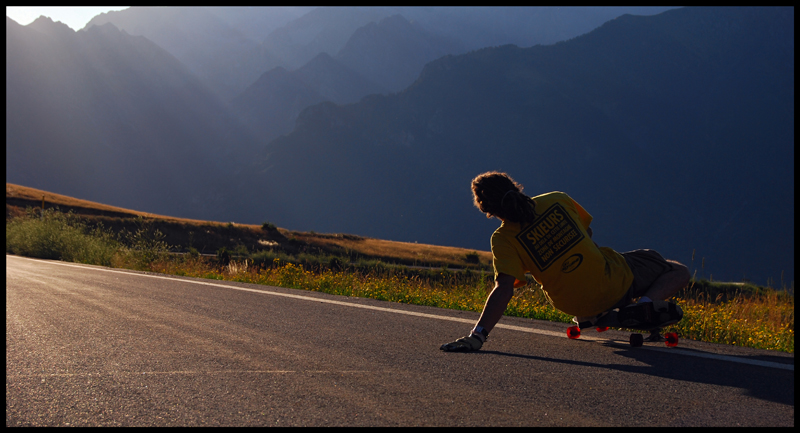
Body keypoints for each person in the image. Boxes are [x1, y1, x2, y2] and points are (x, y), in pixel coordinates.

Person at [440, 171, 690, 352]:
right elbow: (588, 235)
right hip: (612, 281)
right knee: (675, 268)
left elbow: (504, 288)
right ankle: (642, 304)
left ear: (489, 211)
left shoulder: (503, 239)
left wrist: (478, 335)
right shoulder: (557, 199)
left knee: (613, 273)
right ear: (515, 187)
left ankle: (595, 314)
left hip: (571, 304)